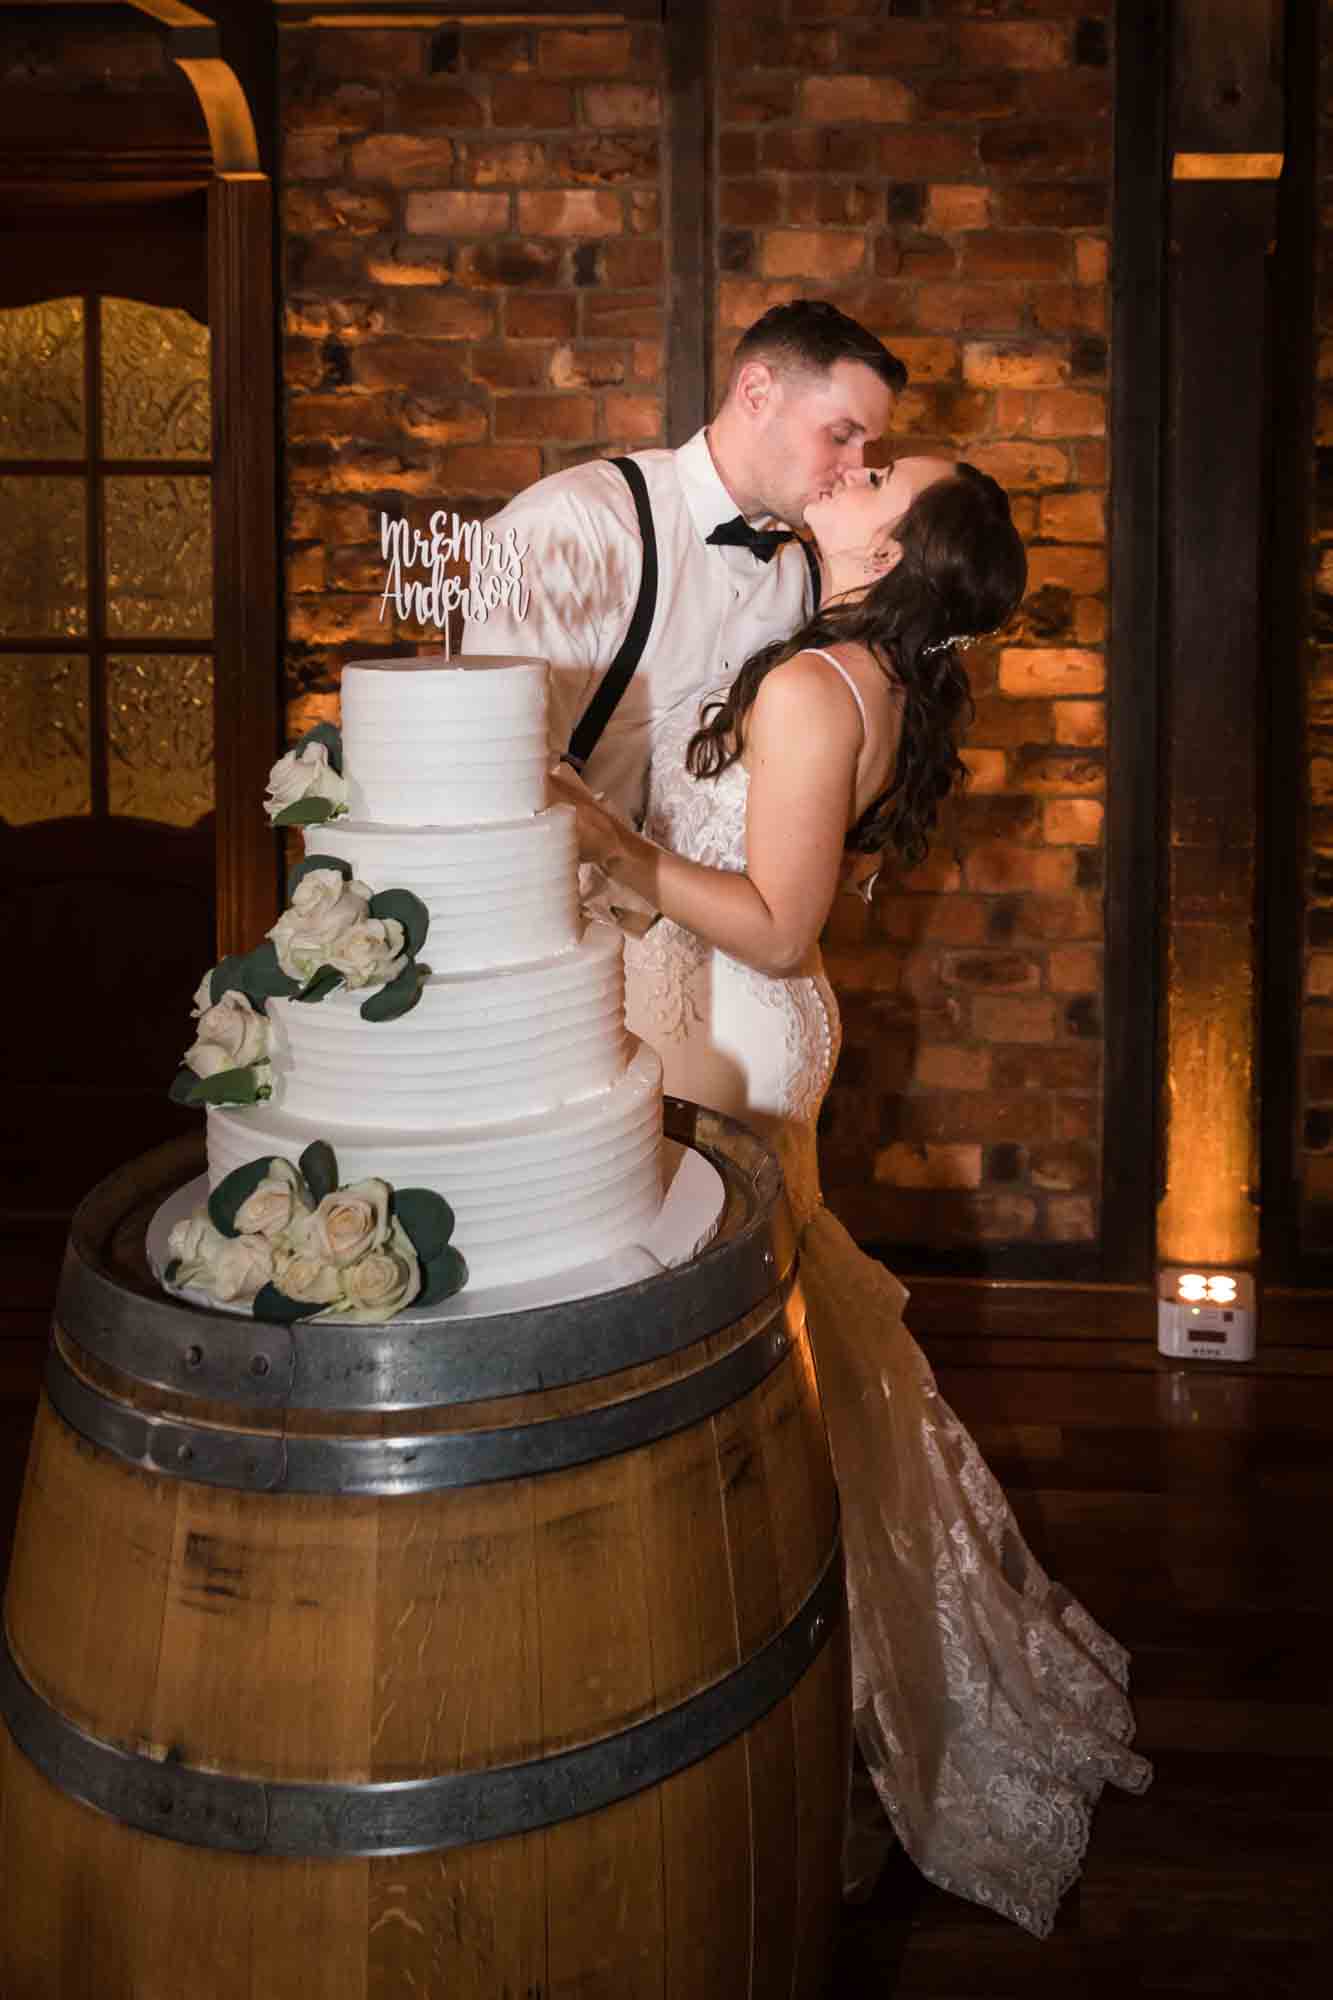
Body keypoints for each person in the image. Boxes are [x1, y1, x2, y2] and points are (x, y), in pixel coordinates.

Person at [549, 456, 1152, 1939]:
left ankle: (797, 1687)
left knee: (746, 1361)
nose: (853, 466)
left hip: (735, 1027)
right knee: (780, 1348)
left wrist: (616, 848)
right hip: (716, 1012)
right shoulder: (846, 664)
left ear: (888, 546)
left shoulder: (820, 686)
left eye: (881, 471)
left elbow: (772, 924)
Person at [463, 298, 907, 826]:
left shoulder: (817, 579)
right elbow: (498, 779)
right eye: (840, 435)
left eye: (867, 446)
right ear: (756, 392)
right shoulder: (573, 525)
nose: (855, 467)